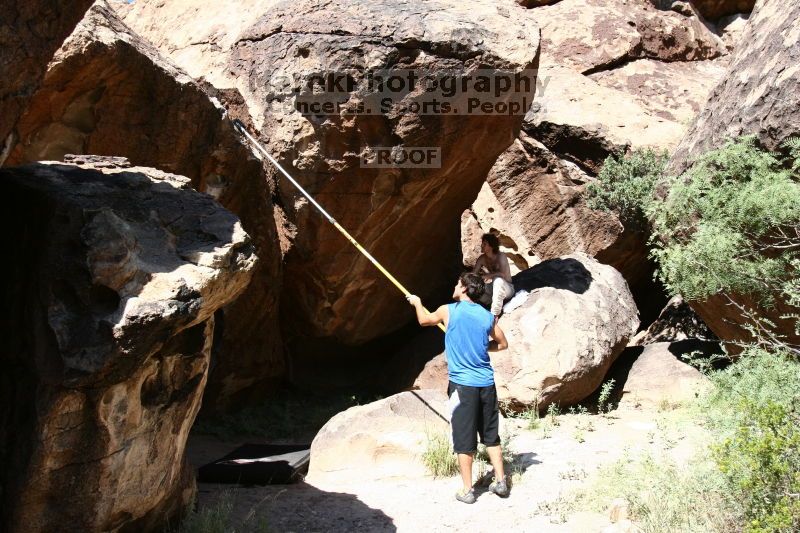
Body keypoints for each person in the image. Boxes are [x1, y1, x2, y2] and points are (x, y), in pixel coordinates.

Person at [406, 272, 510, 504]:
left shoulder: (448, 310)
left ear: (463, 289)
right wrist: (483, 347)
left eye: (457, 283)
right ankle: (501, 481)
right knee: (491, 435)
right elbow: (502, 344)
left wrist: (417, 302)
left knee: (464, 438)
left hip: (463, 387)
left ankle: (467, 490)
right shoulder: (486, 317)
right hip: (486, 384)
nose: (454, 286)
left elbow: (424, 320)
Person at [473, 233, 514, 321]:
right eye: (482, 243)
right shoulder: (482, 258)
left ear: (491, 246)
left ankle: (494, 315)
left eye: (485, 244)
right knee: (475, 287)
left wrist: (489, 275)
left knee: (498, 280)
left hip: (507, 289)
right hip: (493, 291)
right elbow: (474, 275)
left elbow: (503, 274)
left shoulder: (501, 256)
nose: (482, 246)